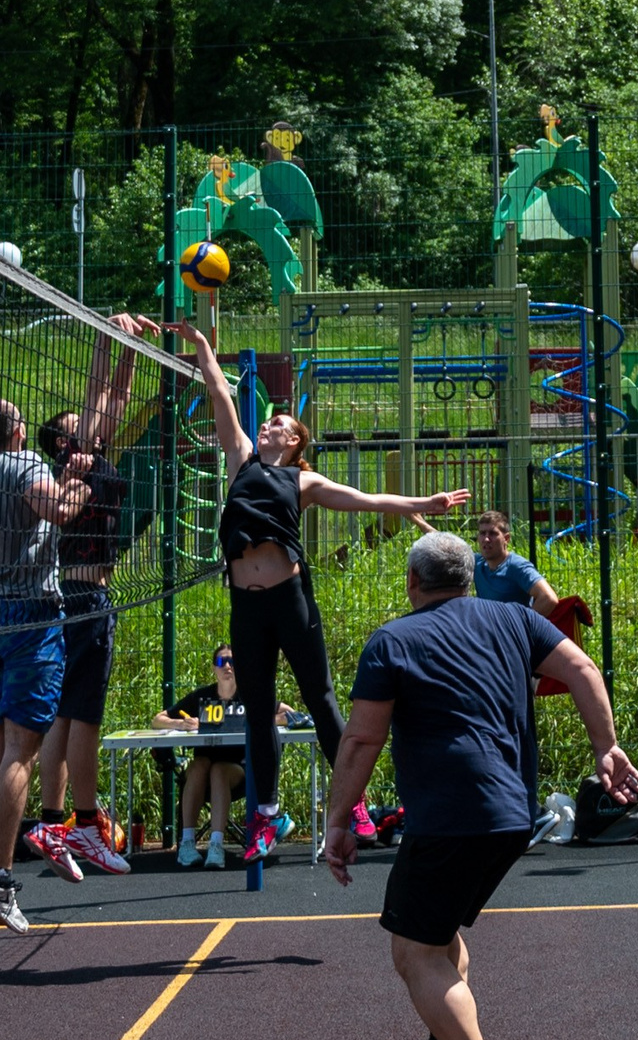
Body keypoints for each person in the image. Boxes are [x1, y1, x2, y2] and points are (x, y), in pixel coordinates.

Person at [323, 530, 638, 1040]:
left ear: (413, 583)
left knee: (414, 952)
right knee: (439, 934)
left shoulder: (393, 639)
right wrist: (607, 746)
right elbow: (581, 666)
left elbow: (361, 738)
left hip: (452, 816)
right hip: (512, 815)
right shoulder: (515, 621)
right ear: (469, 580)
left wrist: (340, 820)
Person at [173, 316, 467, 865]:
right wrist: (203, 344)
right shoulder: (240, 459)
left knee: (321, 699)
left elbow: (367, 500)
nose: (267, 424)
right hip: (246, 606)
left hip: (290, 601)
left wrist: (424, 504)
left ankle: (353, 802)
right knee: (259, 711)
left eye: (278, 423)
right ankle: (265, 816)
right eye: (267, 421)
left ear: (294, 440)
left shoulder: (302, 481)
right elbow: (218, 392)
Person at [0, 398, 93, 933]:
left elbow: (32, 505)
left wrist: (62, 478)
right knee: (20, 750)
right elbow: (58, 511)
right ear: (16, 431)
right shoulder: (24, 464)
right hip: (30, 618)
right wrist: (80, 484)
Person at [33, 314, 154, 875]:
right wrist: (105, 337)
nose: (95, 416)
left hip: (72, 599)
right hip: (83, 599)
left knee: (63, 716)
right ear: (65, 438)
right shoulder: (74, 461)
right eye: (80, 420)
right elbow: (100, 390)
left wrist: (131, 345)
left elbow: (117, 396)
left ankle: (52, 822)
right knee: (82, 718)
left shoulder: (88, 456)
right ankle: (83, 825)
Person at [154, 645, 247, 868]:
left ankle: (216, 845)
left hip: (237, 769)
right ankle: (186, 844)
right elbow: (157, 720)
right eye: (221, 662)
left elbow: (285, 711)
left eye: (232, 662)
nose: (227, 666)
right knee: (199, 765)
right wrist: (181, 723)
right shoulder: (202, 696)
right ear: (214, 668)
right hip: (202, 770)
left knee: (219, 770)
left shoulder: (248, 696)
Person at [471, 509, 561, 617]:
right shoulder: (477, 563)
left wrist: (523, 624)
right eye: (482, 533)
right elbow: (452, 552)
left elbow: (548, 598)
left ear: (506, 538)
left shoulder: (517, 566)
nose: (486, 539)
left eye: (493, 533)